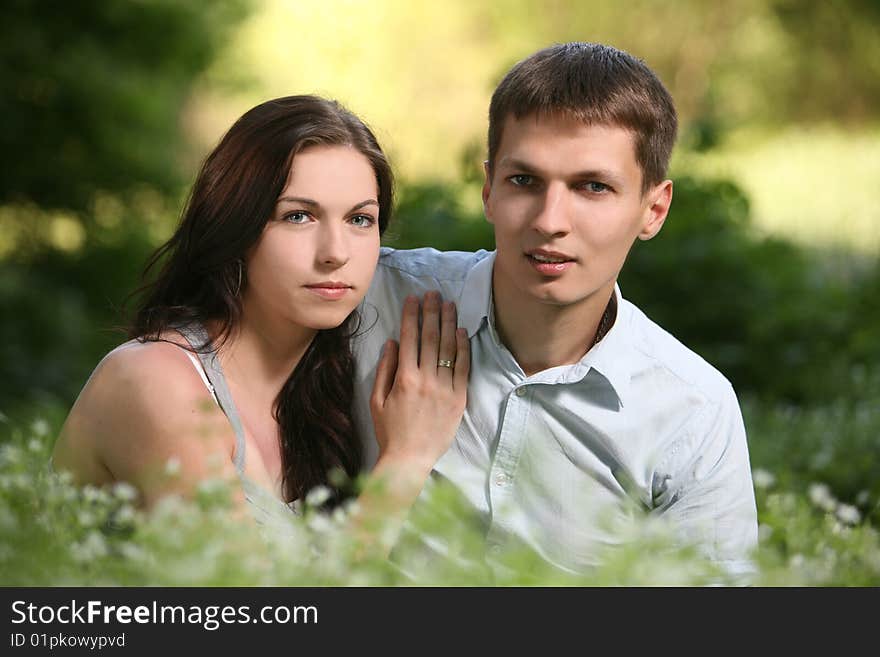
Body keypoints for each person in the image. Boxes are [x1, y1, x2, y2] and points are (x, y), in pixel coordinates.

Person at [352, 43, 759, 580]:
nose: (550, 220)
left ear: (653, 209)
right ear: (489, 190)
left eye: (593, 187)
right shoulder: (368, 298)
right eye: (524, 181)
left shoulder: (692, 411)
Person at [51, 95, 470, 546]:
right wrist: (407, 459)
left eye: (360, 219)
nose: (336, 252)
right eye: (298, 216)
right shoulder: (155, 381)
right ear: (236, 227)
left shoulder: (319, 396)